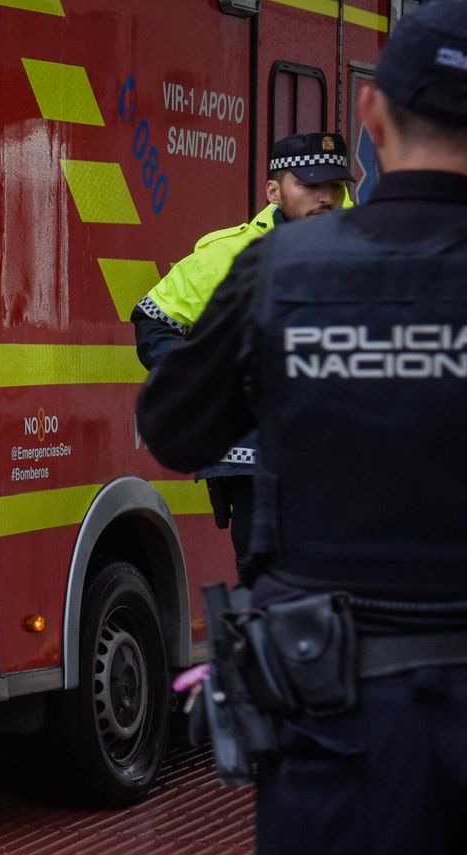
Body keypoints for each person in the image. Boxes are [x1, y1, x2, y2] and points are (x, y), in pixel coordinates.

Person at [138, 2, 467, 855]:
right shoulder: (253, 255)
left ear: (371, 119)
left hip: (336, 712)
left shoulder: (282, 270)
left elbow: (171, 429)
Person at [132, 131, 352, 575]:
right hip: (257, 462)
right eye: (308, 185)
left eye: (334, 185)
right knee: (268, 585)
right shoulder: (227, 255)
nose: (325, 197)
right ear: (273, 191)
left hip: (345, 455)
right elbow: (155, 323)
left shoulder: (370, 249)